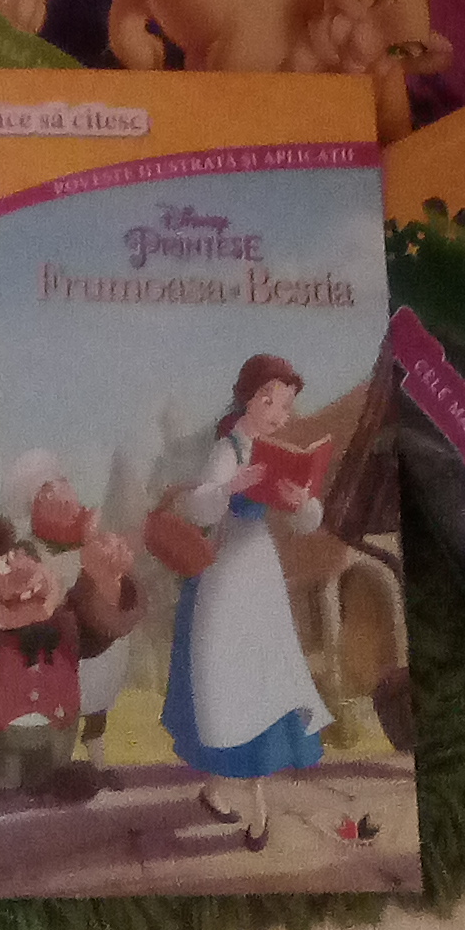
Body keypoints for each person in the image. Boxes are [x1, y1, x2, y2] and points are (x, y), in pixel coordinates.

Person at [159, 354, 331, 846]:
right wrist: (229, 487)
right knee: (232, 686)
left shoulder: (276, 450)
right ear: (248, 397)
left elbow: (308, 519)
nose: (277, 413)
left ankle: (217, 790)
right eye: (269, 400)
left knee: (262, 679)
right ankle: (257, 811)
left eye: (285, 405)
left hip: (259, 572)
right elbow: (199, 506)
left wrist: (302, 503)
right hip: (223, 575)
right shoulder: (229, 447)